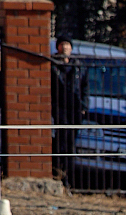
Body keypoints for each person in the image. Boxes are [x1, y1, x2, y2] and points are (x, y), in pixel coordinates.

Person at [51, 35, 88, 185]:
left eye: (67, 44)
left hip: (75, 109)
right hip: (59, 108)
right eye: (62, 44)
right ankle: (57, 173)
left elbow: (85, 88)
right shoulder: (52, 65)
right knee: (60, 142)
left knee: (71, 144)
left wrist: (84, 106)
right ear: (58, 47)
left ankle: (69, 177)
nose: (65, 47)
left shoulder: (78, 66)